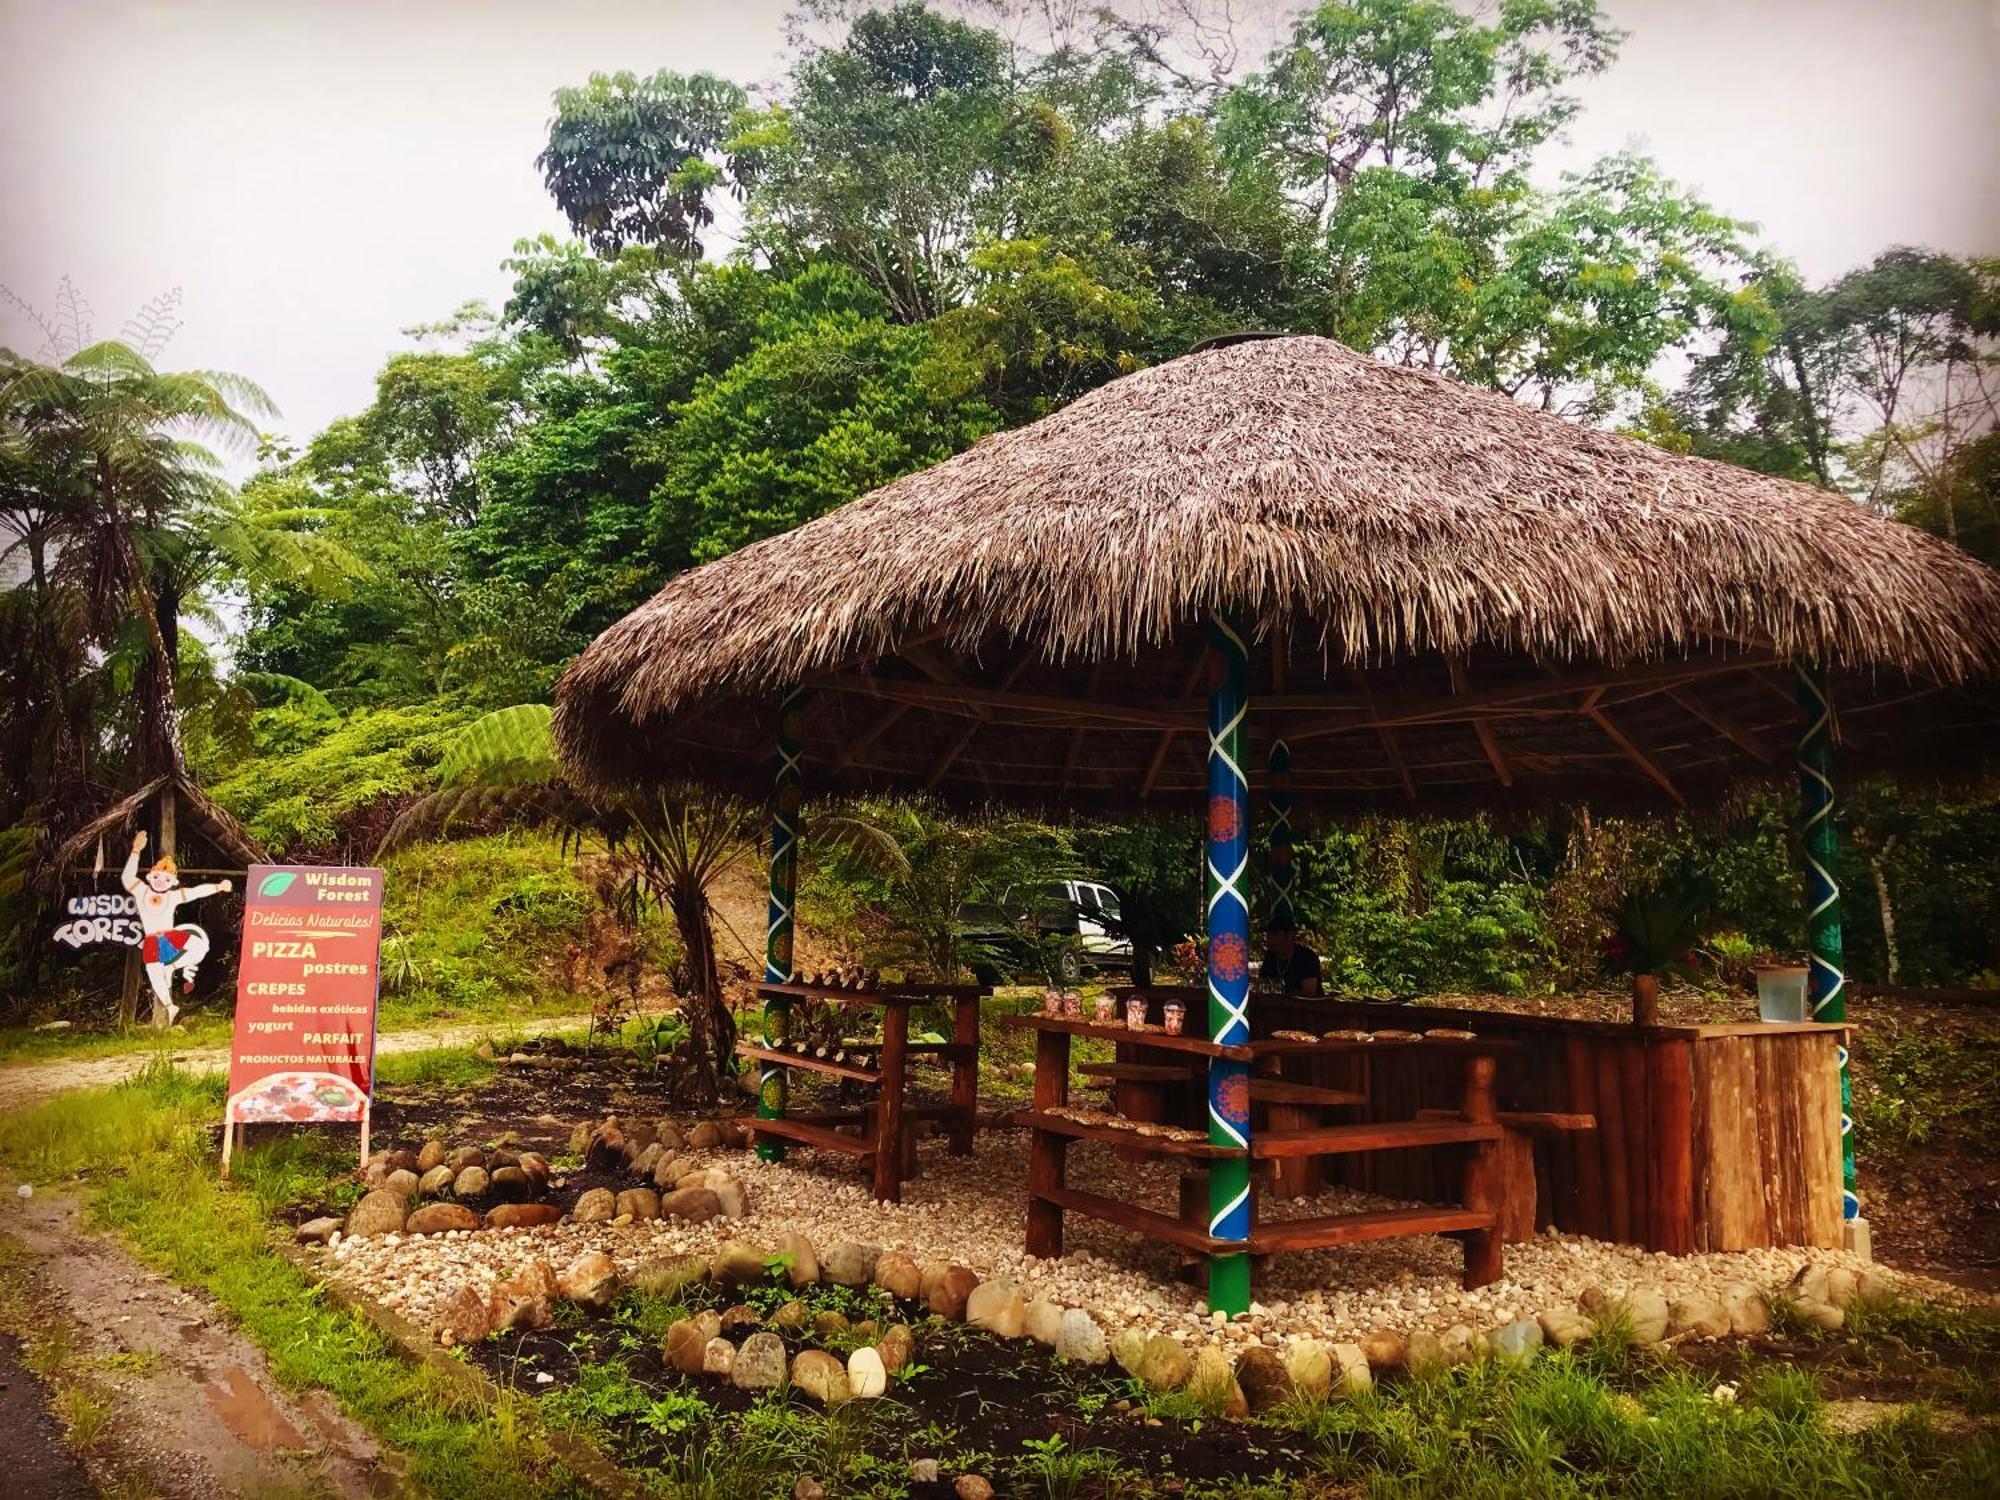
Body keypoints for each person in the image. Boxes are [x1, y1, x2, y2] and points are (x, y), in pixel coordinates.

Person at [121, 830, 233, 1027]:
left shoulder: (172, 896)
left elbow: (196, 892)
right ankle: (170, 1005)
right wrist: (136, 850)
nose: (160, 882)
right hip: (152, 941)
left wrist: (218, 887)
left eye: (166, 879)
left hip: (171, 937)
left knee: (200, 946)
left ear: (172, 882)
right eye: (157, 877)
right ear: (150, 877)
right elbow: (127, 877)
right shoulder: (142, 891)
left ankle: (173, 967)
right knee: (155, 974)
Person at [1261, 916, 1323, 996]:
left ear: (1288, 935)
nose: (1269, 939)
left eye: (1274, 934)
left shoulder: (1306, 957)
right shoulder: (1270, 957)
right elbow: (1263, 986)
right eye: (1268, 935)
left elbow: (1309, 993)